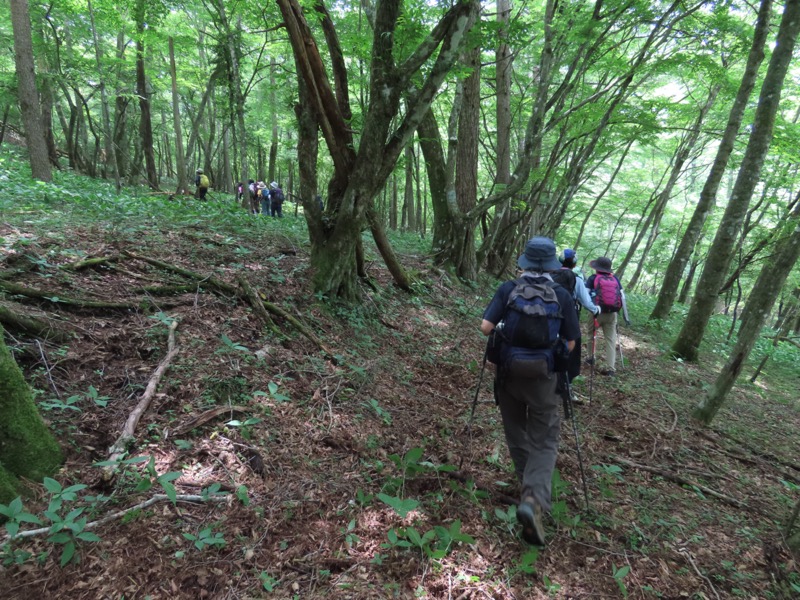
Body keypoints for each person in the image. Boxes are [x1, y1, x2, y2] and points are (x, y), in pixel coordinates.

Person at [480, 236, 580, 546]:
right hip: (544, 379)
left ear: (524, 261)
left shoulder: (509, 289)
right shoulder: (561, 294)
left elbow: (485, 327)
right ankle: (533, 499)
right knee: (545, 439)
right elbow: (572, 342)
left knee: (516, 432)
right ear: (551, 264)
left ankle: (528, 489)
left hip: (509, 374)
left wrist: (504, 331)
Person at [551, 249, 600, 389]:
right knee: (571, 346)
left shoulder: (549, 275)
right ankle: (565, 382)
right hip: (568, 317)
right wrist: (596, 309)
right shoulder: (576, 279)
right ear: (574, 263)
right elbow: (586, 301)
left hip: (548, 317)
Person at [585, 256, 629, 376]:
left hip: (596, 313)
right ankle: (611, 368)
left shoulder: (593, 278)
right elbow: (622, 297)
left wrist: (590, 307)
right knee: (610, 340)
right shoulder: (615, 279)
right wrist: (625, 316)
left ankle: (590, 358)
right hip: (612, 314)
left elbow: (586, 294)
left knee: (591, 335)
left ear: (596, 268)